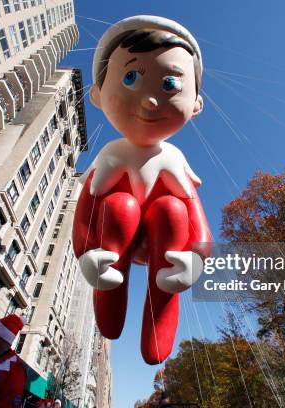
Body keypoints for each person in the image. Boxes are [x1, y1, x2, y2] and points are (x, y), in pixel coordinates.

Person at [73, 14, 211, 365]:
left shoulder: (174, 162)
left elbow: (197, 220)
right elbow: (88, 210)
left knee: (173, 210)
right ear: (97, 95)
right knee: (119, 205)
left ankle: (160, 317)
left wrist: (195, 258)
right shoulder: (109, 159)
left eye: (169, 84)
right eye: (130, 77)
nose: (150, 101)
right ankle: (109, 296)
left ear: (196, 104)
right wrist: (86, 253)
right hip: (115, 237)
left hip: (163, 245)